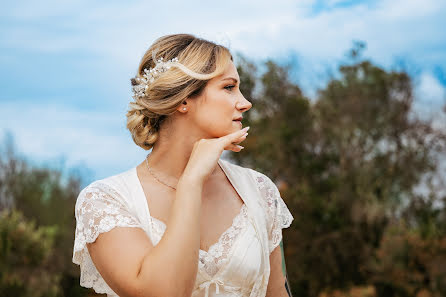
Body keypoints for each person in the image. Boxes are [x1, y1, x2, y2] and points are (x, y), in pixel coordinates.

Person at [72, 33, 294, 297]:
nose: (245, 103)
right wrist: (191, 182)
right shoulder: (105, 202)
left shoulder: (259, 190)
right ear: (184, 99)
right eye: (228, 87)